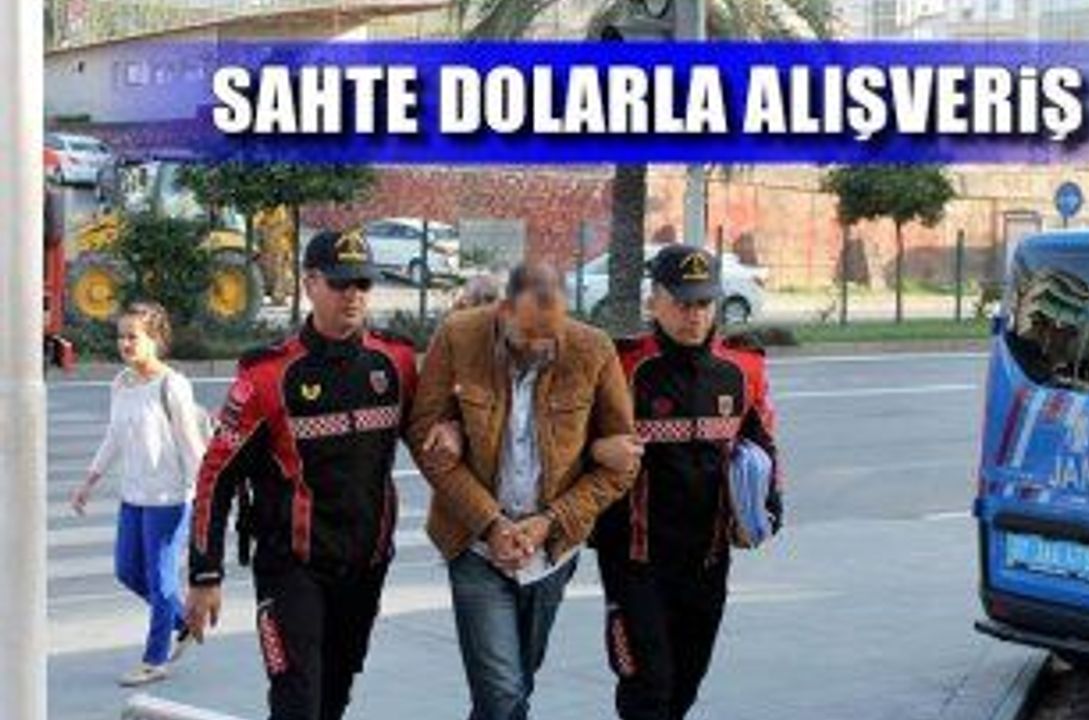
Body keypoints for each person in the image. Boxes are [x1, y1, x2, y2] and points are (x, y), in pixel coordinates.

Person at [183, 229, 419, 720]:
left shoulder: (396, 361)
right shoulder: (266, 375)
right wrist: (205, 572)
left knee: (333, 699)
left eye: (362, 283)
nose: (353, 295)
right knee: (297, 703)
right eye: (339, 283)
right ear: (310, 283)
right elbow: (216, 475)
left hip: (366, 567)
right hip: (291, 570)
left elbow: (431, 434)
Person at [408, 261, 637, 720]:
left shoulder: (593, 349)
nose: (540, 347)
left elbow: (621, 465)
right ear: (504, 310)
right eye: (529, 334)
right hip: (473, 543)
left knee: (515, 684)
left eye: (550, 336)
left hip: (551, 548)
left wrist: (549, 521)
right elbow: (424, 438)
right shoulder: (459, 336)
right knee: (503, 693)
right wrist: (490, 524)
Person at [591, 245, 784, 720]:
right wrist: (598, 451)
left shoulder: (744, 370)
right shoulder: (621, 366)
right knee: (648, 688)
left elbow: (763, 446)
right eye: (681, 302)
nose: (693, 315)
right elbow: (574, 442)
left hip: (708, 561)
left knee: (684, 688)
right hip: (635, 563)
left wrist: (767, 511)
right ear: (653, 301)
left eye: (702, 303)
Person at [71, 301, 207, 687]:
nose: (125, 344)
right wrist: (89, 481)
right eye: (121, 336)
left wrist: (204, 499)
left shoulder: (172, 385)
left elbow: (192, 447)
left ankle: (154, 660)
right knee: (127, 571)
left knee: (161, 582)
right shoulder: (121, 383)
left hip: (169, 499)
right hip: (133, 497)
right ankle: (182, 621)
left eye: (133, 336)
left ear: (155, 339)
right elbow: (114, 436)